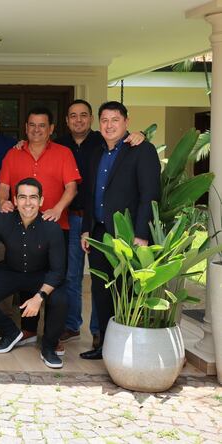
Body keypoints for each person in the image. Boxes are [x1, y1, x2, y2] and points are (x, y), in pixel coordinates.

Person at [54, 100, 144, 349]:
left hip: (104, 222)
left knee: (102, 279)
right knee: (73, 276)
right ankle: (72, 326)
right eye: (73, 116)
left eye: (84, 115)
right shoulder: (60, 144)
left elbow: (145, 190)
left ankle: (98, 332)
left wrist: (141, 134)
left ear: (91, 118)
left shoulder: (104, 141)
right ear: (67, 120)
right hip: (75, 219)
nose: (78, 120)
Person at [79, 101, 160, 360]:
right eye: (104, 120)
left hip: (128, 235)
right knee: (102, 293)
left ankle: (129, 351)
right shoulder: (96, 152)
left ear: (126, 121)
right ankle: (105, 347)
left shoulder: (142, 150)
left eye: (115, 119)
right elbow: (89, 195)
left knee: (126, 293)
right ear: (98, 123)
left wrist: (141, 235)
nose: (109, 125)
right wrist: (86, 230)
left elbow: (150, 195)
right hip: (99, 234)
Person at [0, 107, 80, 352]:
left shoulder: (63, 153)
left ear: (51, 128)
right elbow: (3, 186)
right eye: (32, 124)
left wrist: (57, 209)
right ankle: (29, 329)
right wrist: (3, 201)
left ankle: (54, 335)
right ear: (26, 127)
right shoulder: (13, 154)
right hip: (21, 227)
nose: (36, 129)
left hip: (55, 227)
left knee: (57, 281)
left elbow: (71, 187)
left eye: (42, 125)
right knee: (26, 276)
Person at [0, 178, 67, 368]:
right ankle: (10, 332)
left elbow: (58, 271)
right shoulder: (2, 220)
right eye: (22, 197)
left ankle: (48, 346)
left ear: (41, 201)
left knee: (61, 298)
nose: (28, 203)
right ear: (15, 200)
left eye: (33, 197)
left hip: (40, 275)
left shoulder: (51, 228)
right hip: (11, 271)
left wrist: (39, 296)